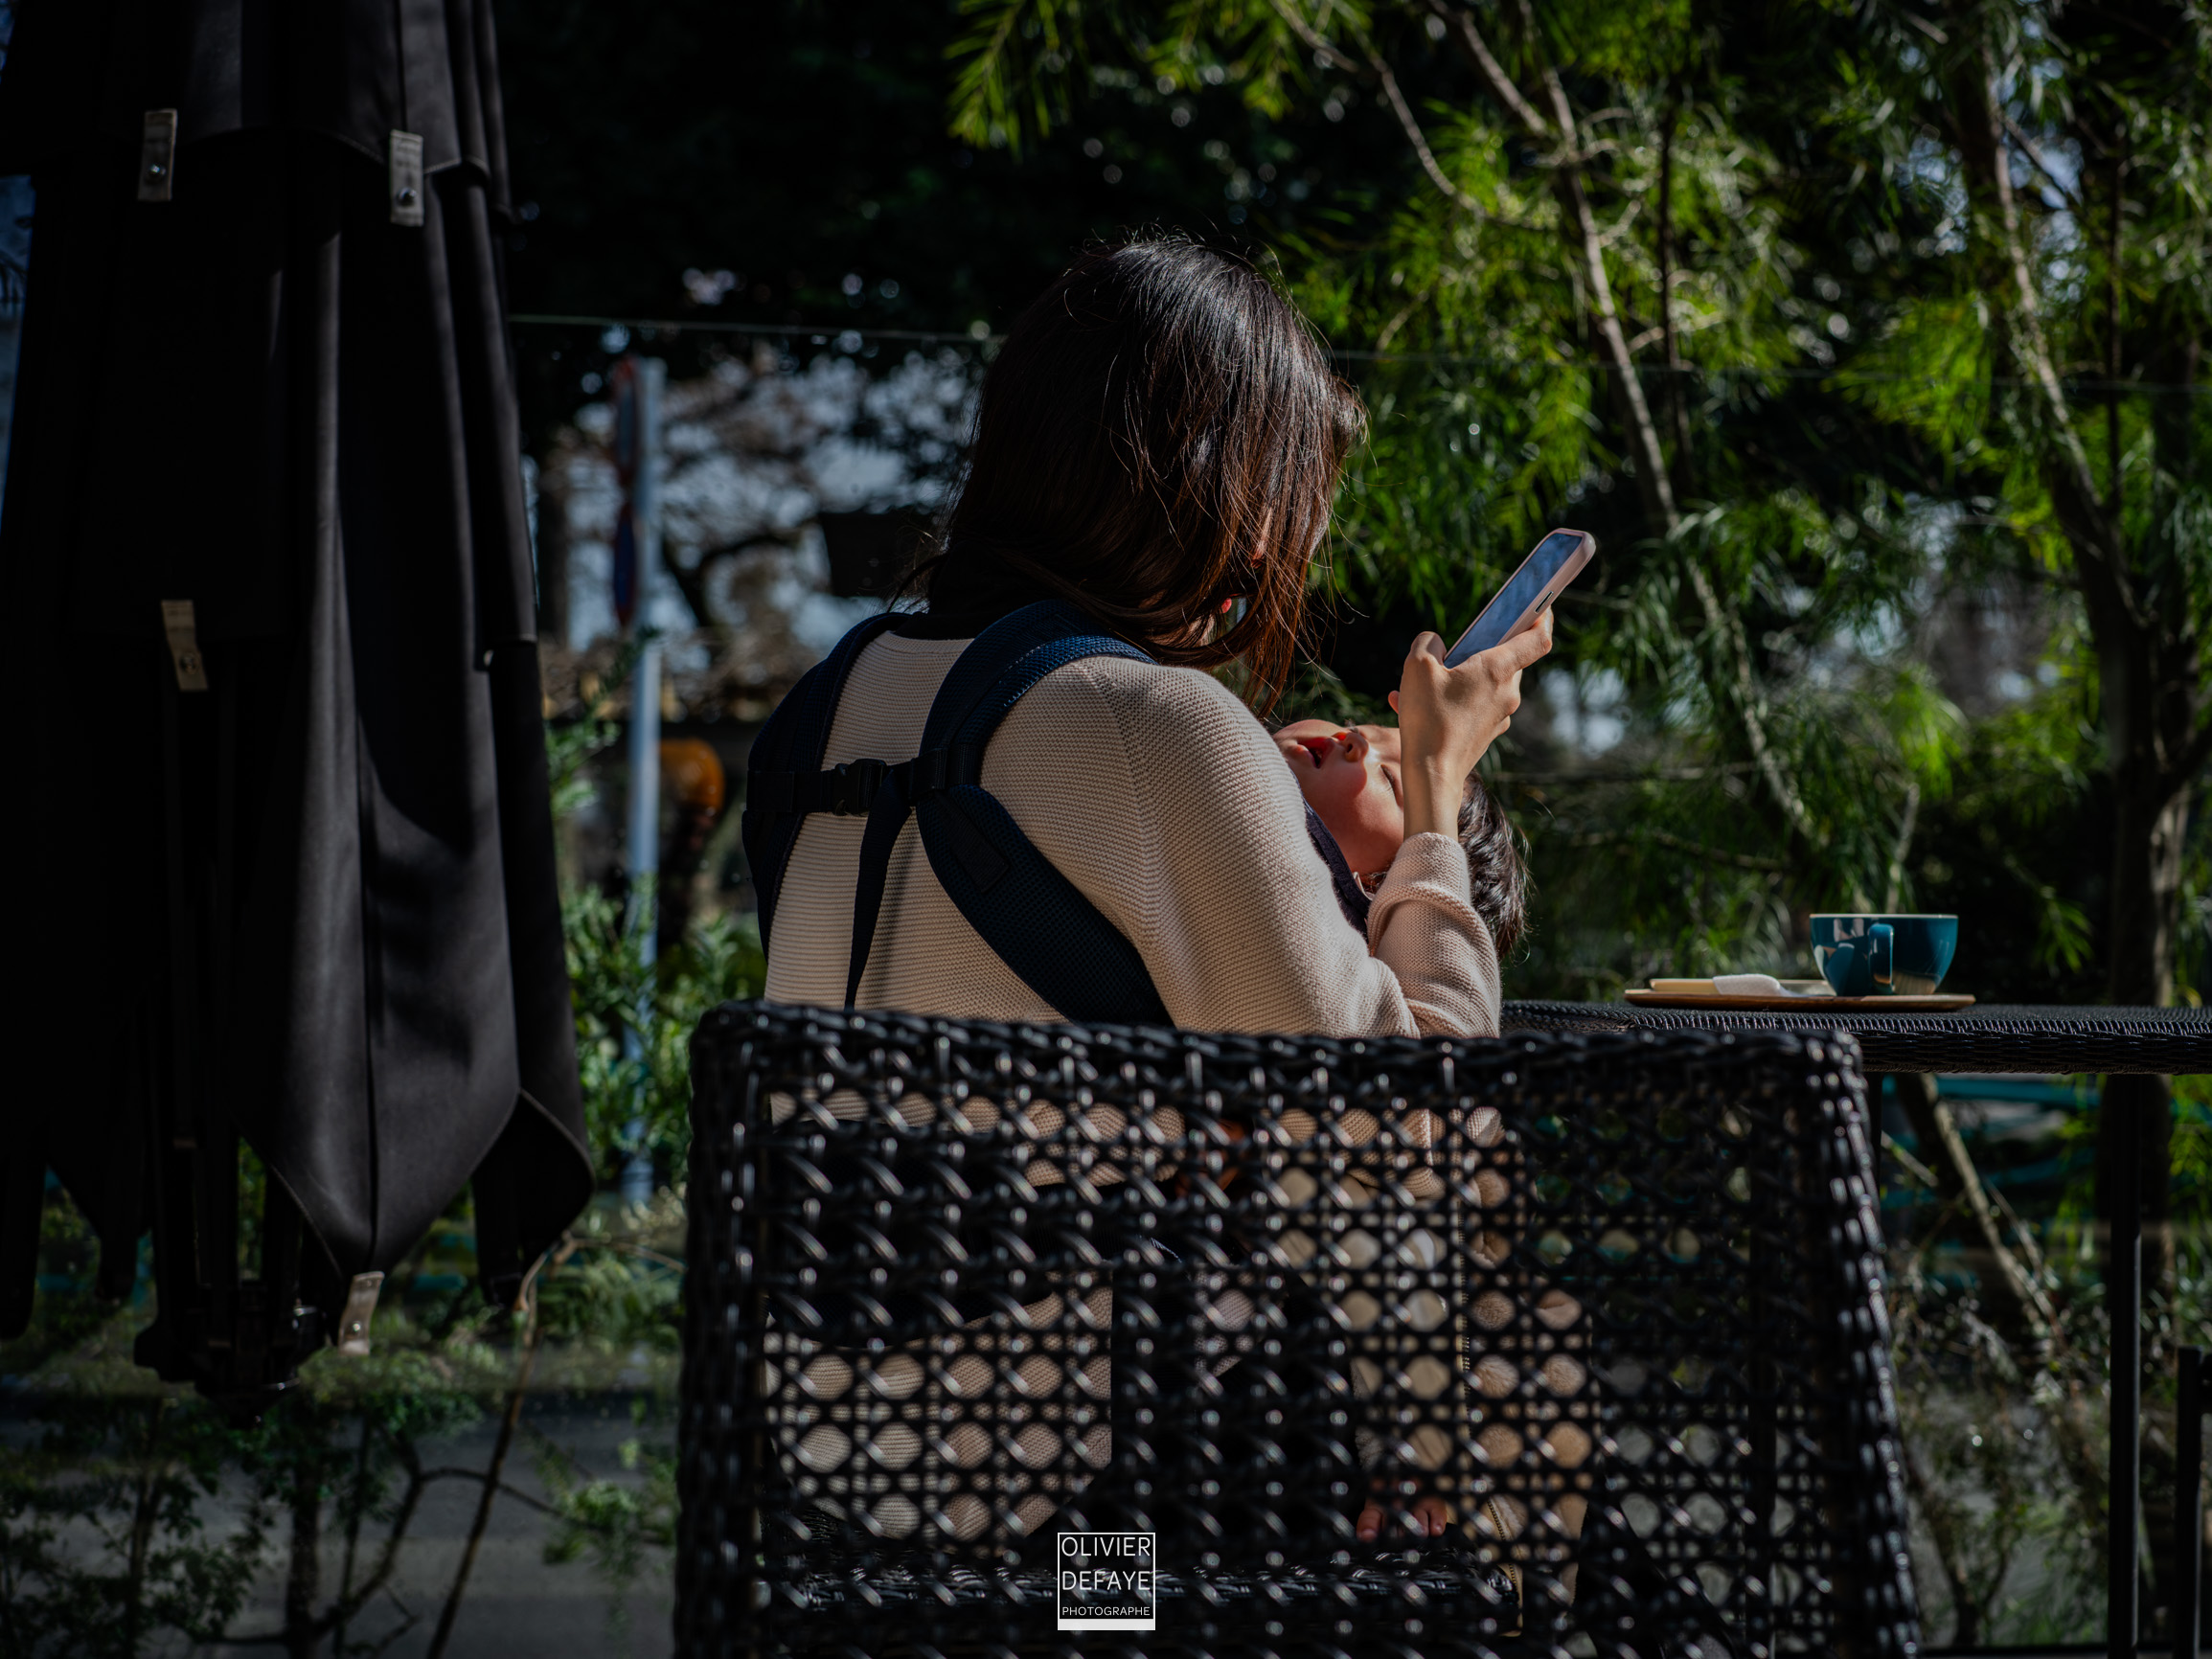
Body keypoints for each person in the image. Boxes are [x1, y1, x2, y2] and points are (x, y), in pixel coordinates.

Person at [755, 236, 1555, 1557]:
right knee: (1412, 1524)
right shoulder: (1157, 723)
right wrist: (1436, 793)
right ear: (1227, 496)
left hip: (820, 1478)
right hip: (1077, 1525)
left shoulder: (824, 702)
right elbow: (1402, 1146)